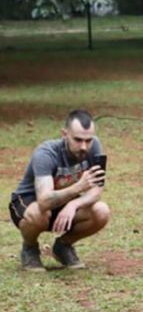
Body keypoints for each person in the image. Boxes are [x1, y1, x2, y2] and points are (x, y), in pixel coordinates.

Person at [9, 109, 109, 271]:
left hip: (63, 203)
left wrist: (73, 205)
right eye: (78, 140)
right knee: (38, 213)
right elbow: (44, 200)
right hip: (29, 202)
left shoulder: (95, 146)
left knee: (101, 211)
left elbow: (97, 190)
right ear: (64, 134)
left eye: (88, 140)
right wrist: (78, 187)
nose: (84, 146)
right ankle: (30, 248)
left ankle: (63, 246)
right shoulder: (46, 153)